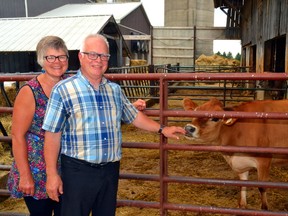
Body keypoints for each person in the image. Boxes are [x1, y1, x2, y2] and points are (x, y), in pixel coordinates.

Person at [42, 34, 186, 216]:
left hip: (110, 170)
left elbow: (134, 116)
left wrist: (162, 128)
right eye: (92, 55)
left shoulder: (114, 90)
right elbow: (52, 135)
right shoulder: (63, 90)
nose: (98, 60)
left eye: (103, 56)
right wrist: (52, 175)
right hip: (77, 171)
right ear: (81, 56)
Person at [7, 35, 69, 216]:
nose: (57, 62)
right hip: (37, 169)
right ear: (41, 60)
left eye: (61, 56)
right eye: (50, 57)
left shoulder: (71, 85)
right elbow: (17, 135)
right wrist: (25, 175)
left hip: (67, 168)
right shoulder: (30, 91)